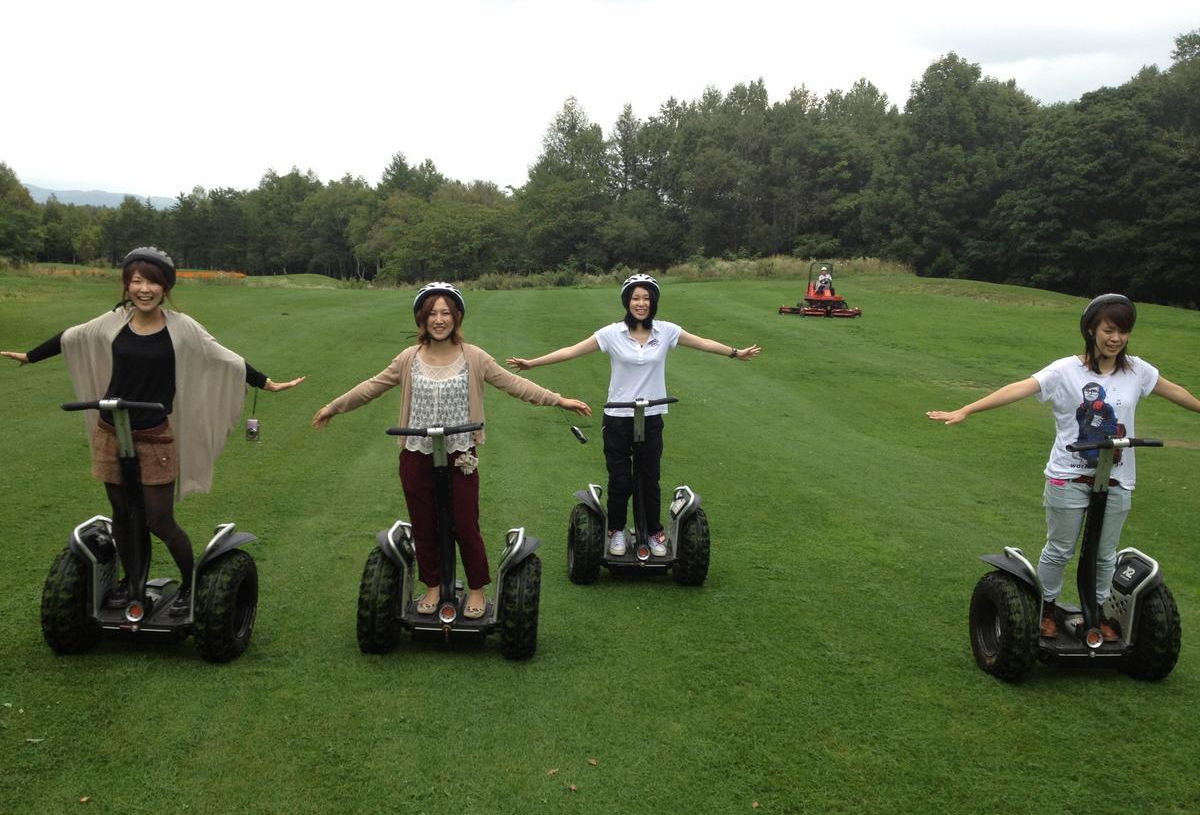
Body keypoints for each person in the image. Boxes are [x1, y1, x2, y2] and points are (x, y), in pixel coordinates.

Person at [2, 246, 305, 614]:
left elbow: (221, 354)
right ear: (127, 285)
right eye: (136, 280)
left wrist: (265, 382)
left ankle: (192, 587)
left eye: (152, 282)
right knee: (123, 514)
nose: (143, 288)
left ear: (165, 287)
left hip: (153, 434)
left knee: (158, 518)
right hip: (110, 430)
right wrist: (31, 356)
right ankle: (133, 584)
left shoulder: (182, 327)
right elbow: (73, 336)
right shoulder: (115, 320)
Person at [926, 294, 1200, 639]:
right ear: (1091, 329)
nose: (1116, 339)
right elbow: (1020, 388)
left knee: (1104, 555)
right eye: (1109, 330)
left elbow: (1173, 389)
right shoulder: (1065, 371)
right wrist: (967, 409)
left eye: (1123, 332)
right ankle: (1048, 608)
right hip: (1068, 475)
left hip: (1117, 477)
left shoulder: (1137, 371)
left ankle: (1096, 613)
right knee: (1060, 549)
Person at [311, 282, 591, 619]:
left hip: (461, 454)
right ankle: (431, 586)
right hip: (416, 452)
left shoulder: (474, 357)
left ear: (456, 317)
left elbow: (513, 383)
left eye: (445, 313)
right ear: (422, 319)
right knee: (424, 523)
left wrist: (557, 399)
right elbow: (372, 386)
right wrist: (334, 407)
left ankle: (476, 589)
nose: (439, 319)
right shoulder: (408, 359)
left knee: (464, 523)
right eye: (432, 313)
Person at [507, 273, 761, 558]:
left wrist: (734, 353)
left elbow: (702, 342)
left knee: (649, 477)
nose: (641, 303)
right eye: (635, 298)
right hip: (617, 416)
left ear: (653, 303)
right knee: (621, 479)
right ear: (627, 302)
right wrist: (532, 363)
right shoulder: (611, 334)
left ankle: (654, 531)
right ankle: (616, 530)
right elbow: (571, 351)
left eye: (646, 298)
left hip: (651, 415)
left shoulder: (666, 331)